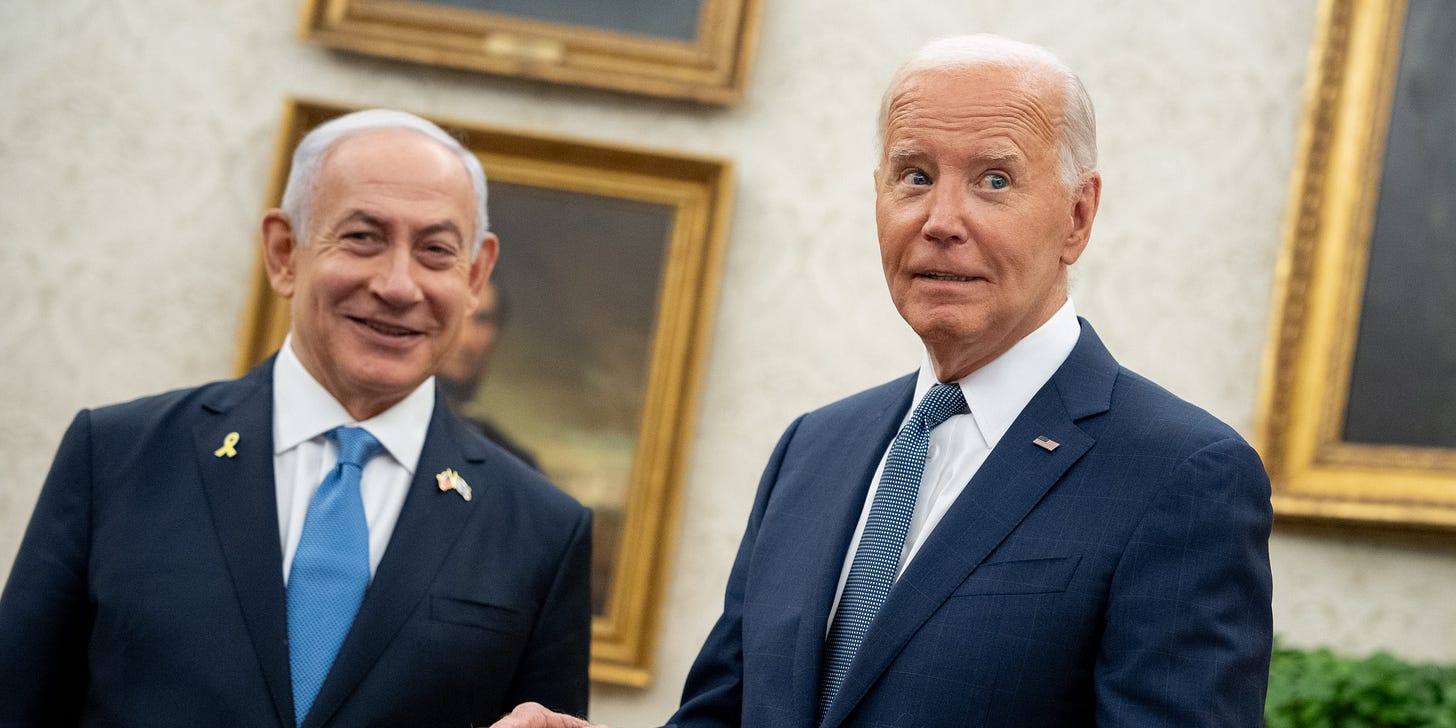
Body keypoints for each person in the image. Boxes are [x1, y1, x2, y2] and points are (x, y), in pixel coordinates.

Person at [496, 33, 1273, 728]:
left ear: (1077, 216)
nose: (941, 218)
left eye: (994, 181)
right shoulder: (814, 448)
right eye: (914, 174)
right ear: (878, 195)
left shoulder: (1182, 475)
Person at [0, 109, 593, 727]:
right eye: (363, 237)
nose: (398, 284)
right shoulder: (118, 458)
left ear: (474, 276)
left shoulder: (543, 530)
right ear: (285, 252)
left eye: (435, 251)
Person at [437, 279, 543, 470]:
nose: (467, 340)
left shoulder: (515, 465)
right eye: (455, 314)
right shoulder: (378, 433)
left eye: (481, 320)